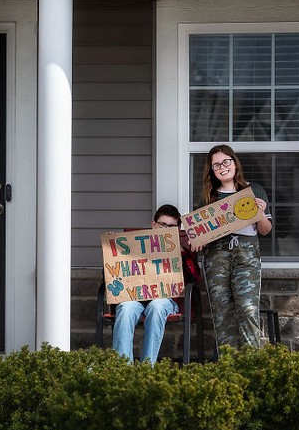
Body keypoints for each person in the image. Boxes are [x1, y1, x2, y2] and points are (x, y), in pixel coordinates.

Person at [200, 144, 272, 350]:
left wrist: (259, 213)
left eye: (226, 162)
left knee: (248, 309)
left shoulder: (253, 191)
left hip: (246, 256)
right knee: (222, 312)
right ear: (211, 171)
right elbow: (202, 232)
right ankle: (229, 363)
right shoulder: (209, 196)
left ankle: (251, 363)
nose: (222, 167)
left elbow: (265, 230)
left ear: (234, 163)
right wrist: (199, 239)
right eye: (216, 165)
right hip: (216, 257)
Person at [112, 204, 198, 363]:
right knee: (125, 308)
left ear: (178, 229)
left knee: (157, 306)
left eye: (171, 227)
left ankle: (147, 367)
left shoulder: (181, 251)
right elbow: (115, 273)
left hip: (165, 300)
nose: (166, 229)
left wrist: (182, 255)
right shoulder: (134, 247)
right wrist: (115, 256)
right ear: (154, 224)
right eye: (162, 225)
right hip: (136, 298)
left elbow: (194, 278)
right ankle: (123, 369)